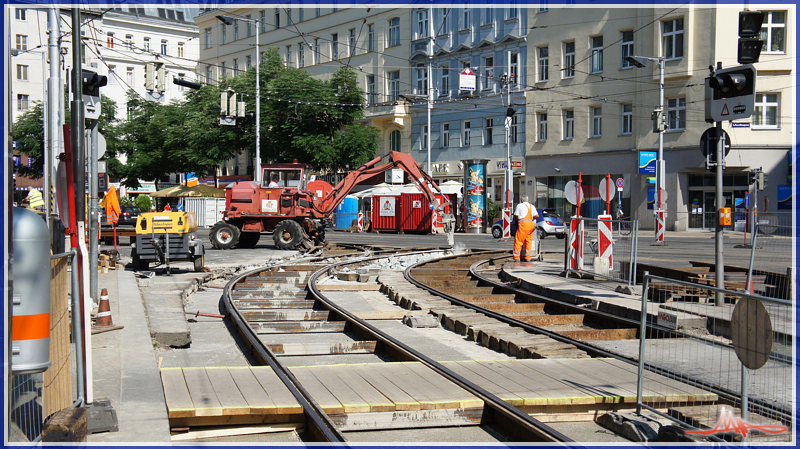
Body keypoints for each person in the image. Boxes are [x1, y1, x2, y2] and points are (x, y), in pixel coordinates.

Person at [512, 194, 539, 262]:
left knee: (519, 240)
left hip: (523, 225)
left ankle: (517, 257)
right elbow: (537, 216)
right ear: (528, 200)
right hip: (530, 225)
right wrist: (532, 218)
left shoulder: (519, 205)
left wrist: (515, 221)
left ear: (521, 200)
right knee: (528, 241)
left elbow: (516, 215)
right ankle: (528, 257)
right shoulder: (531, 206)